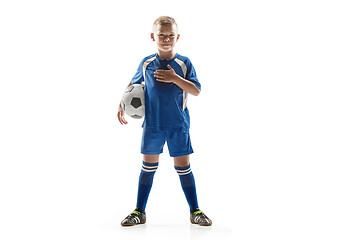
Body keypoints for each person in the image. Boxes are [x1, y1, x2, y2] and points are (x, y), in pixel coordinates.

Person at [117, 16, 212, 226]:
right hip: (153, 125)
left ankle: (195, 210)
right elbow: (133, 83)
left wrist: (175, 79)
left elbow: (196, 90)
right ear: (153, 36)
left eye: (170, 35)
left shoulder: (184, 63)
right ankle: (139, 211)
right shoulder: (146, 62)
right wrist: (121, 102)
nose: (166, 39)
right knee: (148, 166)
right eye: (162, 35)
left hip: (178, 124)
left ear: (177, 37)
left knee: (183, 167)